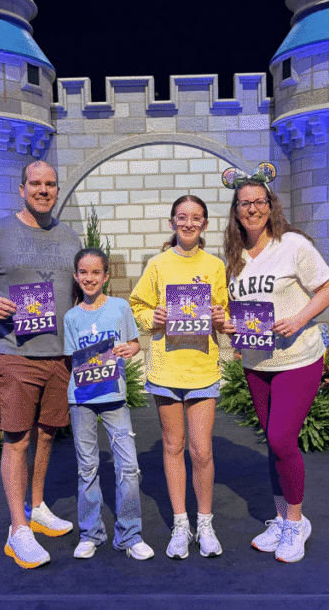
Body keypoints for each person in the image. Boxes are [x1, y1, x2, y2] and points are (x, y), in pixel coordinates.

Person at [0, 160, 81, 569]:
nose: (43, 190)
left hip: (59, 354)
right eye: (36, 184)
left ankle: (38, 506)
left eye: (50, 184)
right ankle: (17, 529)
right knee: (18, 439)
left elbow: (80, 291)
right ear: (22, 188)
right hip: (14, 352)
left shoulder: (68, 235)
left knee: (47, 435)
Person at [220, 164, 329, 564]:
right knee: (273, 442)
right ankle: (279, 518)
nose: (252, 209)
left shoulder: (293, 245)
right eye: (244, 204)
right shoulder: (235, 256)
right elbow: (239, 309)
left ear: (271, 205)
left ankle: (296, 522)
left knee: (281, 439)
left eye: (259, 202)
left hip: (297, 358)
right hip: (256, 362)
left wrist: (301, 317)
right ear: (236, 211)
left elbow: (328, 288)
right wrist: (231, 330)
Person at [129, 195, 229, 559]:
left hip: (202, 368)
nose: (189, 224)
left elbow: (227, 312)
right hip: (166, 369)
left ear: (204, 224)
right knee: (172, 446)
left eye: (196, 218)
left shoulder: (215, 266)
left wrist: (221, 319)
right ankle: (180, 523)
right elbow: (137, 305)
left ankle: (205, 522)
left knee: (201, 450)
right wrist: (150, 318)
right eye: (182, 217)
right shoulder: (157, 264)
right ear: (172, 222)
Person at [63, 248, 155, 561]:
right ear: (76, 276)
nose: (89, 278)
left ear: (105, 276)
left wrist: (130, 348)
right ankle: (91, 533)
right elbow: (72, 360)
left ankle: (129, 535)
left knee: (128, 466)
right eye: (83, 273)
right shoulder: (71, 317)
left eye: (95, 273)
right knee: (87, 468)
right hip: (81, 398)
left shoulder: (120, 307)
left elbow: (133, 343)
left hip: (114, 396)